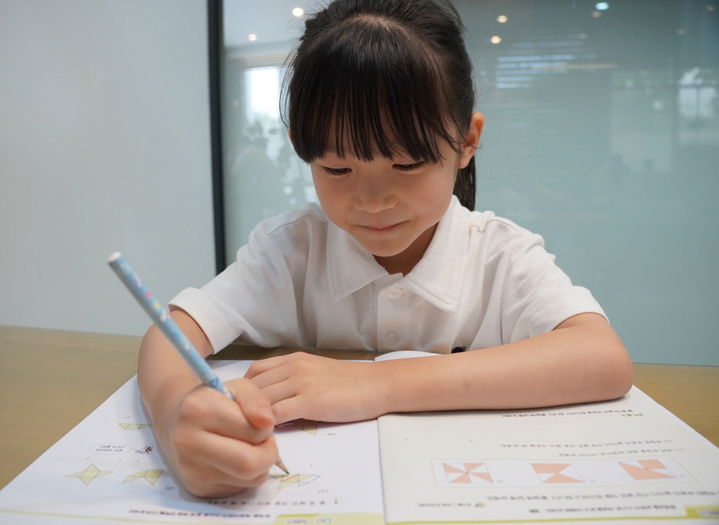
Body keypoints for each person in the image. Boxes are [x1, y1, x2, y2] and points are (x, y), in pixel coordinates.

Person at [138, 0, 633, 498]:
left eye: (407, 163)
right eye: (337, 169)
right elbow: (169, 337)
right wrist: (176, 416)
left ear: (466, 142)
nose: (373, 202)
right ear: (302, 148)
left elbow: (602, 358)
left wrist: (375, 384)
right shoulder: (289, 250)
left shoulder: (498, 254)